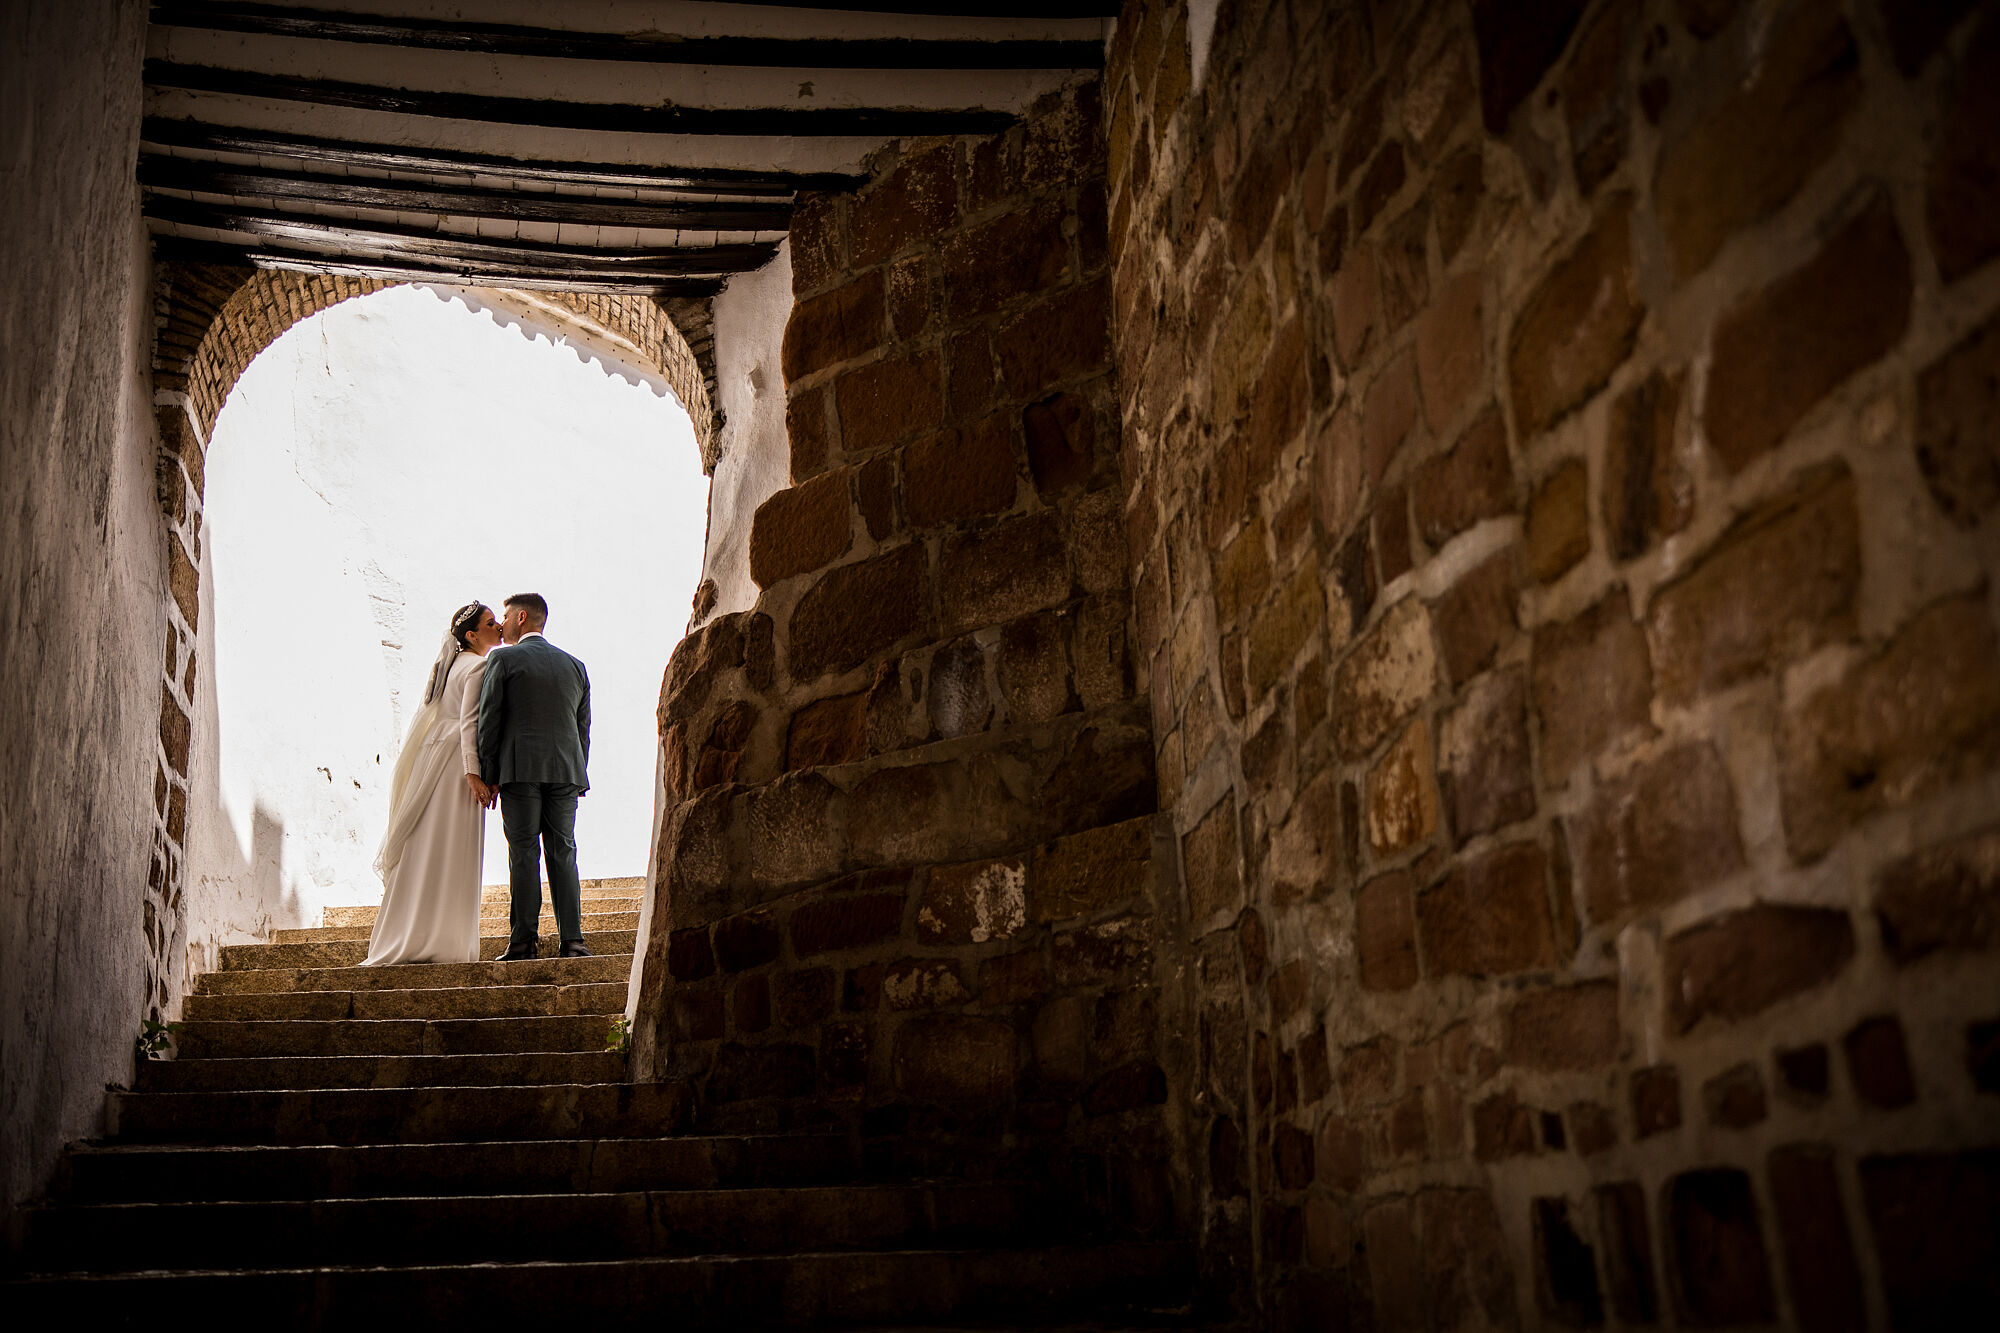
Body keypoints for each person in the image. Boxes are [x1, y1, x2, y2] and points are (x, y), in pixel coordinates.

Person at [361, 601, 503, 966]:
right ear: (471, 635)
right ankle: (445, 940)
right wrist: (475, 773)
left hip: (434, 755)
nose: (499, 626)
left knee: (427, 843)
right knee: (452, 845)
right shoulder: (479, 665)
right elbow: (470, 722)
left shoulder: (450, 665)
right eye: (491, 623)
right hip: (457, 761)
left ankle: (412, 931)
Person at [476, 592, 592, 960]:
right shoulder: (576, 665)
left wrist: (488, 774)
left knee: (524, 853)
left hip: (519, 770)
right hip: (565, 771)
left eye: (506, 616)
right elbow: (582, 727)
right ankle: (573, 941)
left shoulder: (503, 658)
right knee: (564, 851)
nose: (502, 624)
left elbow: (489, 721)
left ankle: (524, 941)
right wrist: (577, 773)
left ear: (522, 617)